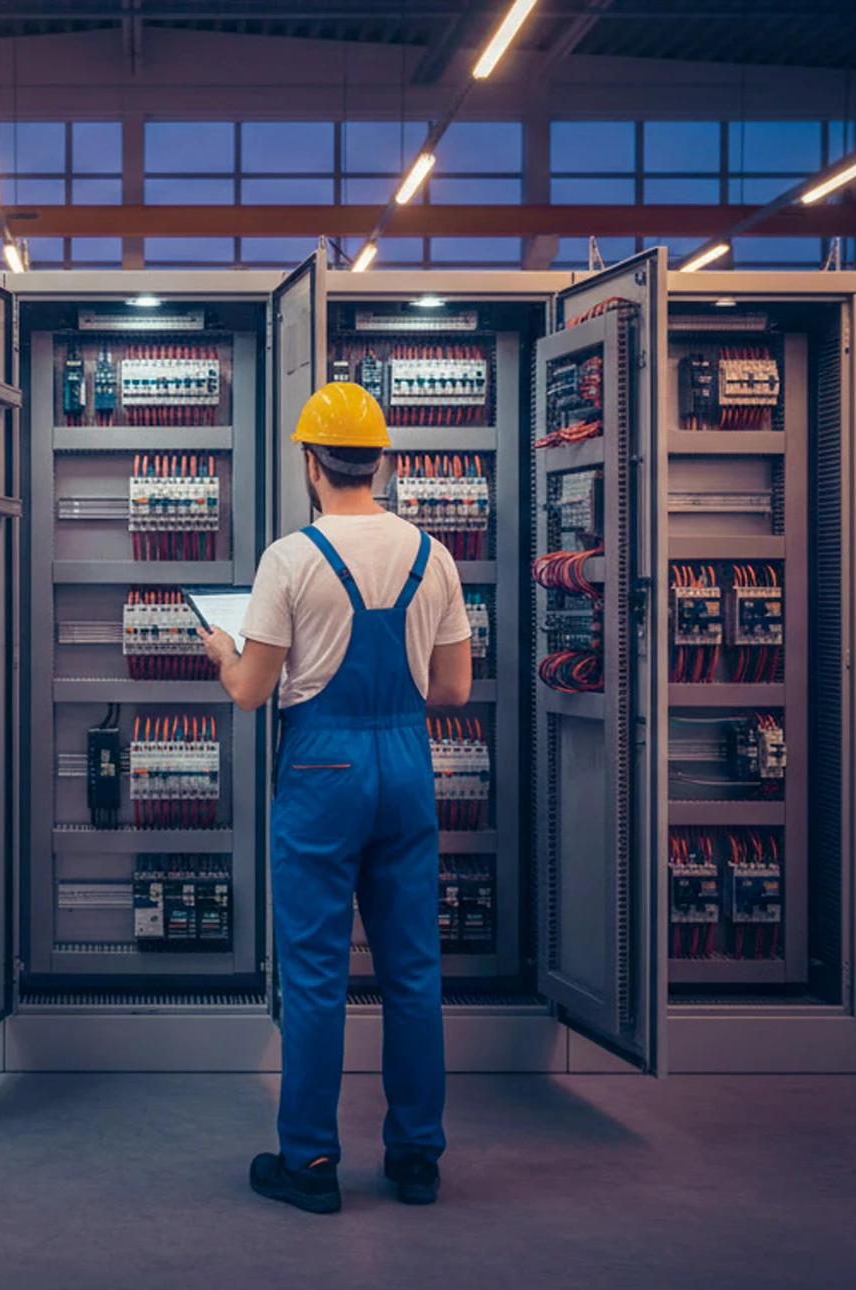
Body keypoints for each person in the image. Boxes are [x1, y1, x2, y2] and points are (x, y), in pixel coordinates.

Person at [200, 381, 472, 1214]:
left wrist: (220, 648)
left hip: (322, 775)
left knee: (317, 975)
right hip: (405, 764)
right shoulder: (436, 555)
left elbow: (251, 690)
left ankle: (311, 1165)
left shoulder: (291, 557)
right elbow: (454, 690)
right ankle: (416, 1159)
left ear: (312, 463)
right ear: (381, 461)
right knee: (413, 972)